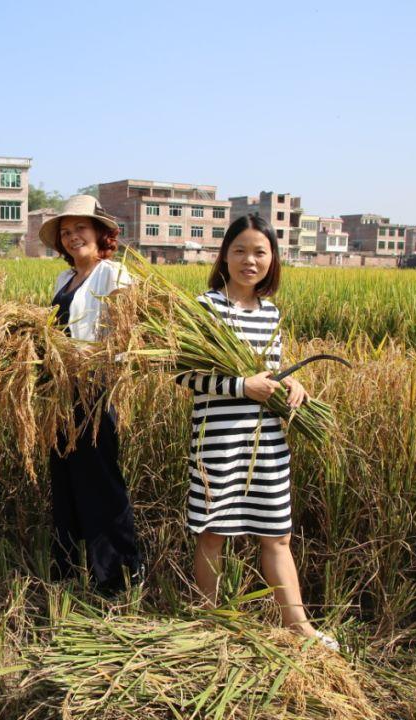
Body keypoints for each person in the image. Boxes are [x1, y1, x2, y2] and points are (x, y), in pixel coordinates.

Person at [182, 213, 339, 650]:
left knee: (277, 533)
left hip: (267, 438)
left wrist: (292, 382)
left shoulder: (270, 313)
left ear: (272, 260)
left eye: (260, 252)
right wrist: (240, 386)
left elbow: (270, 370)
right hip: (218, 438)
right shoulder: (206, 306)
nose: (249, 260)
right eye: (240, 250)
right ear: (224, 256)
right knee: (214, 532)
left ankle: (299, 627)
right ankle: (210, 624)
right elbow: (185, 376)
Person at [37, 195, 142, 594]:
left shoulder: (113, 276)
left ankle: (118, 578)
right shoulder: (63, 281)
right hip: (58, 395)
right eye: (65, 232)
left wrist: (90, 362)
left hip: (93, 393)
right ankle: (68, 571)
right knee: (65, 481)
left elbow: (124, 335)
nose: (72, 236)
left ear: (101, 233)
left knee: (100, 482)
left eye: (80, 228)